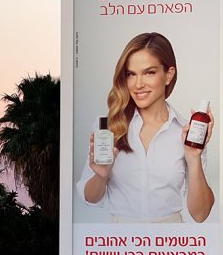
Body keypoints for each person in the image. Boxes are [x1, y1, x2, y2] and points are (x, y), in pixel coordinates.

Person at [78, 32, 215, 223]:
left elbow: (200, 214)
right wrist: (101, 176)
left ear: (168, 75)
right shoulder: (108, 127)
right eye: (131, 74)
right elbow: (91, 198)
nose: (138, 84)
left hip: (170, 246)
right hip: (119, 246)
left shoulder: (187, 133)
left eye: (149, 72)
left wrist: (194, 158)